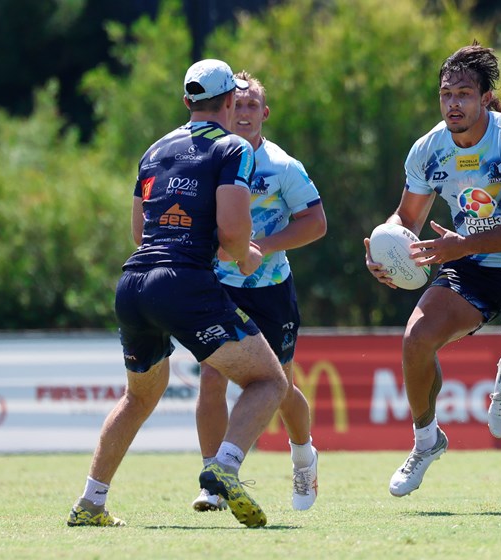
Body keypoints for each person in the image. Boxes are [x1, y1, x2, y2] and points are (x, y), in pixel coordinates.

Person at [66, 59, 289, 529]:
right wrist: (246, 256)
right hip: (183, 283)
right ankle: (223, 467)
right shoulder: (233, 148)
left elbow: (138, 230)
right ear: (230, 101)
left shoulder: (154, 150)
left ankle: (91, 502)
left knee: (139, 397)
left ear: (187, 102)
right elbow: (231, 233)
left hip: (133, 284)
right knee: (269, 381)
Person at [364, 42, 501, 497]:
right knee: (415, 339)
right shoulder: (428, 150)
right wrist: (384, 246)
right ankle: (426, 440)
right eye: (446, 94)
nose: (453, 103)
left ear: (486, 98)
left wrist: (463, 244)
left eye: (464, 94)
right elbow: (407, 218)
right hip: (468, 266)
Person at [192, 70, 326, 513]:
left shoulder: (283, 167)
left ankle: (304, 456)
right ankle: (213, 481)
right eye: (239, 104)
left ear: (263, 114)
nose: (245, 113)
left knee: (281, 388)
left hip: (270, 289)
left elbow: (316, 224)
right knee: (211, 380)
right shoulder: (208, 159)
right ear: (227, 109)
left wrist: (262, 248)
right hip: (220, 289)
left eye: (254, 106)